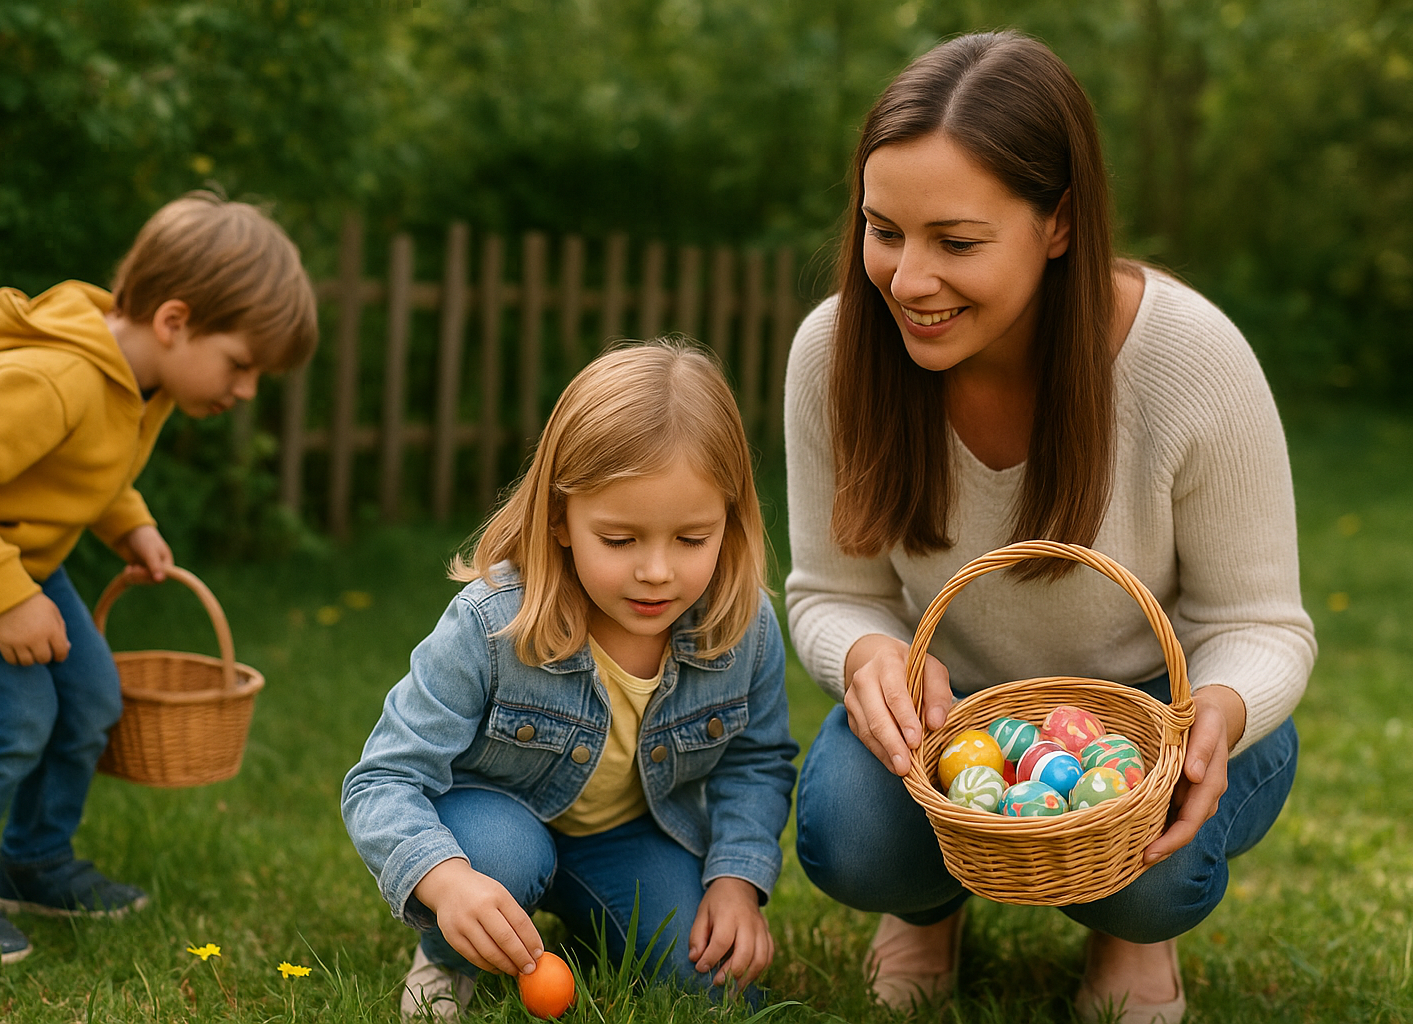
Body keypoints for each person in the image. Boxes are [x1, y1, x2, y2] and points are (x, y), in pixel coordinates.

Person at [784, 31, 1314, 1024]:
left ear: (1059, 224)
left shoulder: (1189, 358)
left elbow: (1265, 623)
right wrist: (867, 655)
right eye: (883, 228)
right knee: (850, 835)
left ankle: (1133, 927)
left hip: (1164, 704)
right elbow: (830, 588)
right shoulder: (836, 353)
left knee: (1155, 873)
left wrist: (1220, 713)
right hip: (956, 711)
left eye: (956, 240)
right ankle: (927, 904)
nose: (905, 280)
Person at [0, 191, 318, 967]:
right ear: (175, 321)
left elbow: (90, 465)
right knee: (12, 719)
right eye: (241, 364)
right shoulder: (58, 379)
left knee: (90, 700)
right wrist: (8, 597)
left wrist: (131, 523)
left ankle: (35, 864)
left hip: (13, 560)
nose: (245, 389)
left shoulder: (137, 381)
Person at [342, 341, 798, 1022]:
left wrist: (735, 882)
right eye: (619, 540)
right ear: (559, 517)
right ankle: (448, 954)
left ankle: (589, 917)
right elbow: (381, 781)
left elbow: (756, 761)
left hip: (627, 836)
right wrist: (448, 882)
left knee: (708, 981)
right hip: (492, 823)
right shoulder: (490, 622)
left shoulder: (744, 625)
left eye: (692, 539)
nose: (656, 572)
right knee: (500, 858)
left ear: (731, 519)